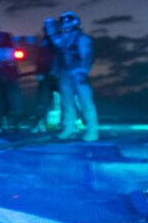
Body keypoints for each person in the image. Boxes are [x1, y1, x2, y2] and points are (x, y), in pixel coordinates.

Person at [50, 10, 99, 141]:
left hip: (78, 73)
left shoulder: (83, 38)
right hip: (65, 74)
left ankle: (92, 131)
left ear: (75, 22)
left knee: (86, 103)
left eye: (68, 21)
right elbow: (56, 45)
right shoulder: (63, 39)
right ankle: (69, 129)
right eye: (63, 22)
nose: (66, 24)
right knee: (66, 103)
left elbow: (87, 56)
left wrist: (83, 72)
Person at [30, 17, 61, 132]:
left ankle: (74, 121)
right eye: (47, 27)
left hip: (60, 75)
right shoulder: (44, 41)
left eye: (51, 26)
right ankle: (39, 122)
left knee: (67, 99)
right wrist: (39, 71)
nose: (49, 29)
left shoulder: (62, 39)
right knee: (42, 100)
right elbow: (41, 58)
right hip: (46, 75)